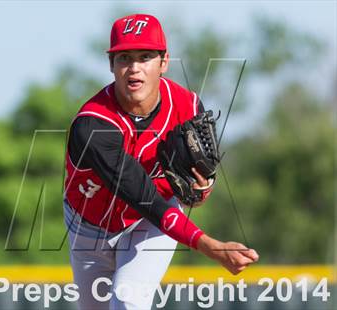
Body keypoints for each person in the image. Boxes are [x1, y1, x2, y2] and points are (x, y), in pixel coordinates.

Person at [63, 13, 259, 310]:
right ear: (111, 65)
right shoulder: (93, 125)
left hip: (149, 223)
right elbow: (142, 196)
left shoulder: (187, 107)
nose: (134, 68)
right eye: (124, 58)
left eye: (145, 57)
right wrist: (211, 247)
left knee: (128, 301)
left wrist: (202, 187)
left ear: (164, 62)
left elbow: (194, 186)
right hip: (89, 227)